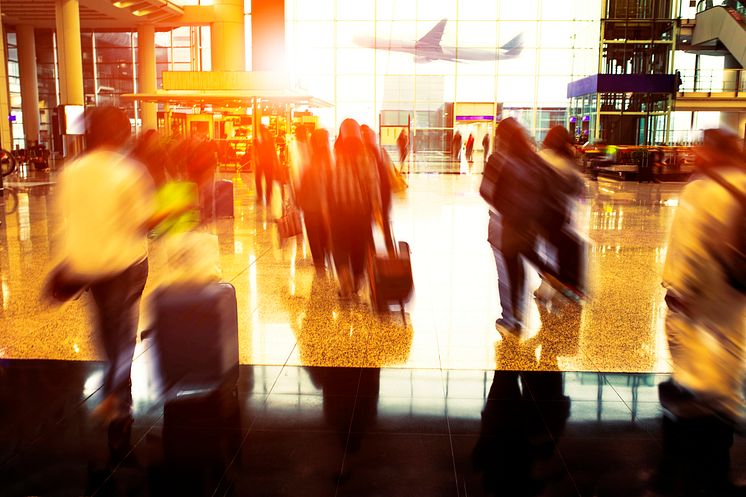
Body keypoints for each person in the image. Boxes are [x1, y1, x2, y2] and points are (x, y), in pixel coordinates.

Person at [657, 128, 746, 495]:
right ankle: (720, 437)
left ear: (711, 153)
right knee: (727, 365)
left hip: (701, 301)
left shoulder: (701, 190)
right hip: (736, 299)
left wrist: (681, 291)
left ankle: (694, 461)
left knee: (697, 372)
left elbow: (690, 249)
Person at [54, 107, 156, 424]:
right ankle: (116, 393)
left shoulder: (71, 171)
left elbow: (67, 218)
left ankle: (118, 392)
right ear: (122, 134)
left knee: (107, 331)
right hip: (125, 264)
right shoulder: (128, 172)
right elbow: (141, 222)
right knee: (123, 334)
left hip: (89, 266)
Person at [488, 118, 548, 333]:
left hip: (507, 227)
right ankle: (520, 313)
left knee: (509, 273)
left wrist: (505, 208)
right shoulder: (534, 159)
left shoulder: (500, 160)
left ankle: (511, 319)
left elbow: (489, 193)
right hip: (530, 227)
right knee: (521, 268)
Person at [329, 118, 381, 298]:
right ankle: (358, 278)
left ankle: (344, 275)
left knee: (339, 245)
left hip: (339, 211)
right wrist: (376, 209)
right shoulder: (367, 156)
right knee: (359, 246)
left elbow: (330, 185)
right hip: (361, 212)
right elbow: (373, 185)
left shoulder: (336, 157)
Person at [534, 126, 586, 302]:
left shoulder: (542, 157)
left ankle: (546, 285)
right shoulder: (566, 160)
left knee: (545, 251)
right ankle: (562, 284)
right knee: (559, 250)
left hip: (541, 213)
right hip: (562, 214)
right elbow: (578, 188)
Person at [298, 128, 333, 272]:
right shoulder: (330, 160)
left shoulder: (312, 161)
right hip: (327, 206)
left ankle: (319, 261)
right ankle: (325, 255)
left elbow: (304, 182)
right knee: (324, 231)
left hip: (311, 206)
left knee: (313, 233)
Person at [361, 124, 394, 254]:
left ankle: (372, 253)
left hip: (376, 193)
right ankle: (388, 251)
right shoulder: (380, 151)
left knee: (372, 225)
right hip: (382, 193)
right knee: (382, 223)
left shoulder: (366, 153)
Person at [186, 131, 218, 221]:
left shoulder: (207, 146)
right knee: (198, 193)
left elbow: (212, 158)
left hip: (206, 172)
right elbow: (188, 161)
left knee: (207, 192)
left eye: (197, 138)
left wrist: (211, 169)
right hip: (197, 173)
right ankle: (200, 211)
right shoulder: (190, 148)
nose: (195, 140)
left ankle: (208, 212)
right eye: (194, 138)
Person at [254, 125, 279, 207]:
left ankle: (266, 197)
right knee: (260, 179)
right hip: (262, 162)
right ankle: (261, 196)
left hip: (267, 162)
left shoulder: (268, 139)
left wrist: (275, 161)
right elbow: (255, 151)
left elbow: (273, 150)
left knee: (268, 180)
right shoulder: (258, 139)